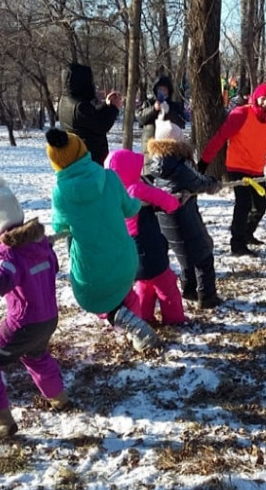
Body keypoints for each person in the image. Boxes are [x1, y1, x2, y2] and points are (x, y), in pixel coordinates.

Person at [0, 168, 66, 441]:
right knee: (35, 354)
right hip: (48, 318)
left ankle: (0, 421)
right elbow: (52, 266)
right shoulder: (41, 244)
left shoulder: (8, 253)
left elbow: (2, 281)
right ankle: (59, 397)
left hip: (23, 323)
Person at [47, 128, 158, 351]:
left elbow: (60, 227)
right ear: (82, 150)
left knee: (93, 299)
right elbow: (130, 208)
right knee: (126, 293)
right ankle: (136, 335)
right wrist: (137, 200)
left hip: (93, 267)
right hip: (125, 257)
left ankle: (128, 324)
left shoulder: (60, 192)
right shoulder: (109, 176)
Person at [200, 82, 266, 256]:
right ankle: (237, 244)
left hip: (257, 169)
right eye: (263, 99)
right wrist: (204, 162)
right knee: (243, 204)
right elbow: (220, 137)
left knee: (261, 204)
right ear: (256, 99)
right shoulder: (241, 114)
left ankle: (246, 233)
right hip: (237, 166)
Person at [148, 111, 224, 309]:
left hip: (166, 220)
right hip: (184, 216)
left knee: (185, 255)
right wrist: (214, 183)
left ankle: (189, 290)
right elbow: (198, 182)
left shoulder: (155, 166)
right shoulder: (180, 166)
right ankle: (207, 297)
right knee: (203, 253)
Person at [105, 149, 186, 324]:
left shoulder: (115, 193)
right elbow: (167, 201)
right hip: (148, 246)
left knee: (145, 283)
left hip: (131, 250)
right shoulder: (136, 189)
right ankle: (175, 319)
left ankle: (144, 317)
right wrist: (176, 201)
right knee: (167, 285)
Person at [58, 63, 121, 165]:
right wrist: (114, 108)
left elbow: (91, 117)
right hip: (89, 160)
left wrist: (106, 105)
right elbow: (101, 126)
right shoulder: (79, 106)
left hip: (77, 157)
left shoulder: (66, 100)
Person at [136, 75, 186, 149]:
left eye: (164, 89)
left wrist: (169, 112)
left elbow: (182, 123)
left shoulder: (175, 106)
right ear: (155, 90)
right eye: (160, 89)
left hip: (170, 146)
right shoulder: (148, 103)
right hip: (150, 146)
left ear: (169, 91)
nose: (162, 92)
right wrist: (154, 109)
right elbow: (140, 118)